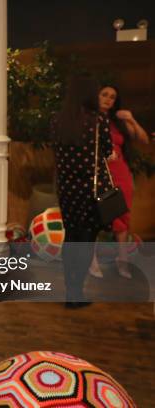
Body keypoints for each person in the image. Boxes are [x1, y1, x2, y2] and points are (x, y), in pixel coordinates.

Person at [52, 75, 114, 307]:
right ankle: (77, 292)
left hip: (67, 188)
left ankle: (70, 291)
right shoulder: (98, 121)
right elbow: (107, 151)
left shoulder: (57, 120)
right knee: (86, 238)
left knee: (71, 236)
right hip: (90, 188)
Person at [89, 85, 150, 279]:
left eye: (112, 97)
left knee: (123, 216)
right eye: (104, 95)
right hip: (100, 172)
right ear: (96, 95)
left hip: (121, 172)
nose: (108, 99)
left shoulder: (117, 121)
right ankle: (92, 261)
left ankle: (122, 262)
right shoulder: (89, 118)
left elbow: (144, 140)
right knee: (98, 216)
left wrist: (131, 119)